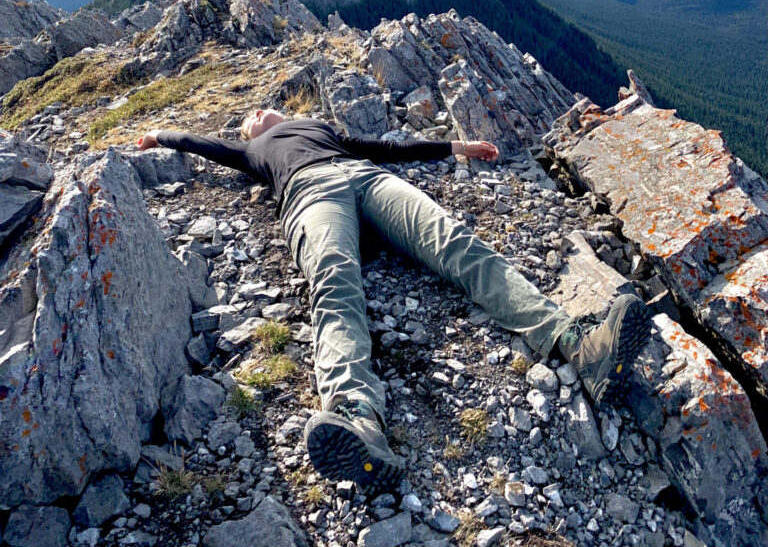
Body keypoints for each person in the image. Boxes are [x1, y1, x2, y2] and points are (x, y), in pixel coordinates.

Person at [137, 109, 650, 495]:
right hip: (307, 195)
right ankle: (359, 419)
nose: (256, 115)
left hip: (368, 177)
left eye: (260, 113)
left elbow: (389, 147)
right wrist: (159, 136)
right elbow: (201, 144)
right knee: (334, 280)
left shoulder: (321, 128)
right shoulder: (253, 151)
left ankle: (577, 345)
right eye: (249, 120)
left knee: (455, 242)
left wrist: (458, 148)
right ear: (251, 134)